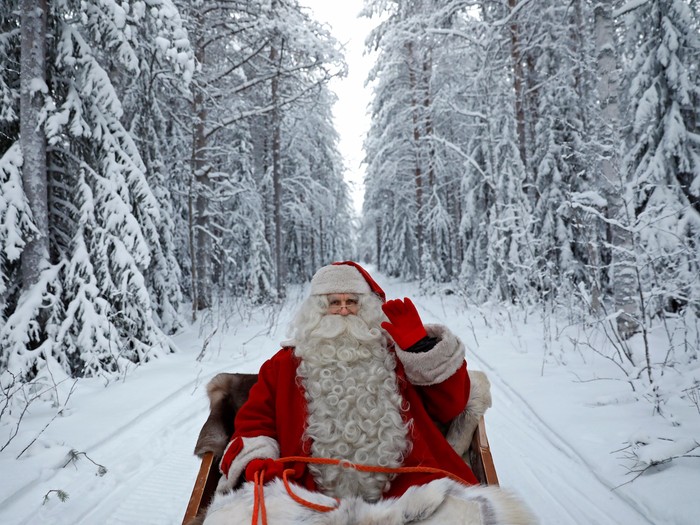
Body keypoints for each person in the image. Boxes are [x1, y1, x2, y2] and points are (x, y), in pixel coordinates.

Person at [202, 261, 535, 525]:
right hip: (309, 497)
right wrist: (261, 461)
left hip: (410, 494)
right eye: (335, 303)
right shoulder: (282, 366)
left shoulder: (395, 356)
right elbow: (255, 422)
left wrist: (420, 348)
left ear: (368, 308)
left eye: (353, 302)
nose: (344, 310)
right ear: (317, 309)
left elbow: (451, 406)